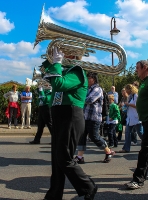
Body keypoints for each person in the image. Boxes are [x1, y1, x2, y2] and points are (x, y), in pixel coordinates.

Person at [44, 47, 97, 200]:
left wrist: (56, 63)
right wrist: (51, 63)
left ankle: (88, 186)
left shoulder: (77, 71)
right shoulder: (66, 71)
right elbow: (53, 84)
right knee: (56, 159)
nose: (60, 53)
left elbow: (59, 84)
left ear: (72, 55)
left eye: (63, 51)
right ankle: (54, 196)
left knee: (64, 158)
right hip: (61, 116)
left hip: (71, 116)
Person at [74, 72, 115, 164]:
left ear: (94, 79)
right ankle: (80, 156)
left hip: (94, 118)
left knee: (94, 137)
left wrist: (78, 97)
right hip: (85, 116)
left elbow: (89, 100)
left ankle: (108, 152)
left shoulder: (97, 89)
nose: (86, 79)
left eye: (88, 78)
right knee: (82, 136)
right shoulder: (87, 89)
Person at [124, 60, 148, 189]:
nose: (136, 70)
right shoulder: (144, 82)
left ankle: (138, 179)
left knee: (145, 150)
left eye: (137, 68)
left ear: (145, 67)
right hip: (146, 120)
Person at [119, 84, 143, 153]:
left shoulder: (136, 96)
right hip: (129, 118)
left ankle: (147, 144)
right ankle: (126, 148)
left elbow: (137, 105)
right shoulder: (130, 96)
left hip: (136, 118)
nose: (126, 91)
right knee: (127, 133)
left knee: (140, 133)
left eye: (126, 89)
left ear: (130, 89)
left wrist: (128, 104)